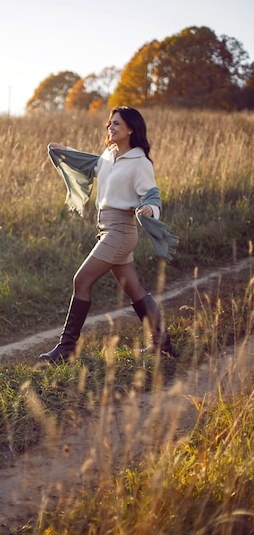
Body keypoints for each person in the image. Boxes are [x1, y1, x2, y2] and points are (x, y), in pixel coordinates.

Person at [39, 106, 177, 364]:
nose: (110, 128)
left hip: (121, 231)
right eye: (109, 123)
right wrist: (65, 151)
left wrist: (150, 209)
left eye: (116, 124)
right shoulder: (109, 155)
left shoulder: (140, 162)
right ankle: (162, 343)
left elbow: (152, 194)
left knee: (81, 280)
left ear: (131, 129)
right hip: (106, 230)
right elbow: (92, 166)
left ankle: (66, 348)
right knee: (133, 288)